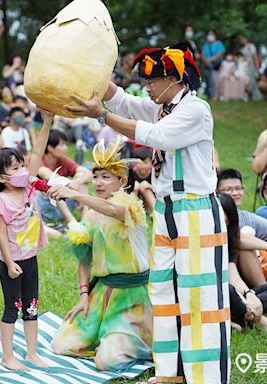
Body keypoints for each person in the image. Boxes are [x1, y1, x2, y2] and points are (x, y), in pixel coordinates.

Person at [65, 43, 230, 383]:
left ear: (172, 78)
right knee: (164, 292)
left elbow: (158, 137)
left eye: (152, 81)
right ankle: (170, 374)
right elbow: (123, 100)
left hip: (195, 210)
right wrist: (92, 73)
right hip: (167, 208)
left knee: (198, 296)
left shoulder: (195, 110)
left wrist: (101, 116)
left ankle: (206, 377)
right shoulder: (163, 108)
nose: (147, 88)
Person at [48, 141, 152, 371]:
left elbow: (114, 211)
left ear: (122, 182)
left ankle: (128, 340)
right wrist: (84, 295)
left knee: (108, 362)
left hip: (133, 298)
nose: (98, 183)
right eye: (96, 177)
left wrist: (75, 193)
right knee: (61, 344)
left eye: (106, 177)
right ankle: (106, 337)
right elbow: (84, 259)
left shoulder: (131, 207)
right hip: (101, 294)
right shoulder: (93, 214)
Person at [0, 109, 53, 371]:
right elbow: (1, 237)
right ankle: (8, 356)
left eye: (22, 165)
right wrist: (10, 263)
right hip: (12, 263)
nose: (24, 169)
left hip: (30, 258)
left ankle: (32, 353)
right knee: (12, 309)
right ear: (2, 178)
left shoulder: (27, 187)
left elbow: (37, 152)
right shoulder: (0, 202)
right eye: (16, 168)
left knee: (32, 307)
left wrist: (46, 122)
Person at [218, 193, 267, 334]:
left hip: (234, 293)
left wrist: (249, 295)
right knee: (227, 290)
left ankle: (239, 316)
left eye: (221, 212)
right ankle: (263, 323)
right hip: (212, 293)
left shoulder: (228, 241)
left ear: (228, 219)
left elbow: (233, 276)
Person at [36, 129, 91, 222]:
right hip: (43, 209)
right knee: (55, 186)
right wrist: (71, 184)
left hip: (63, 206)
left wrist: (77, 182)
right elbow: (49, 176)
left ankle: (84, 221)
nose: (66, 148)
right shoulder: (38, 160)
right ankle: (72, 223)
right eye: (62, 145)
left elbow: (88, 174)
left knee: (81, 178)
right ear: (50, 148)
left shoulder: (62, 160)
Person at [217, 168, 267, 241]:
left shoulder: (248, 217)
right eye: (228, 189)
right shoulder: (213, 217)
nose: (235, 193)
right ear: (216, 192)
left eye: (238, 188)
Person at [127, 145, 155, 211]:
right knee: (135, 186)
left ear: (151, 163)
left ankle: (155, 213)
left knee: (144, 186)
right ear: (135, 163)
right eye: (140, 163)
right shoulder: (131, 174)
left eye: (145, 163)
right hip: (136, 201)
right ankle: (133, 213)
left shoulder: (154, 175)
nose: (142, 166)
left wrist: (151, 186)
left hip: (150, 202)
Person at [201, 30, 226, 99]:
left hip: (216, 67)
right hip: (207, 66)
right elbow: (202, 55)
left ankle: (215, 97)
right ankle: (210, 96)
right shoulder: (205, 45)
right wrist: (206, 62)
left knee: (215, 81)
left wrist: (209, 60)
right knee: (209, 81)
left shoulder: (219, 44)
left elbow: (220, 54)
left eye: (211, 34)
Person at [238, 35, 261, 101]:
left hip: (251, 66)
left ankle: (254, 97)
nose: (241, 40)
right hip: (244, 67)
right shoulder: (241, 48)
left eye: (243, 38)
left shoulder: (251, 46)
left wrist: (257, 68)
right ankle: (247, 96)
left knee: (251, 81)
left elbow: (255, 57)